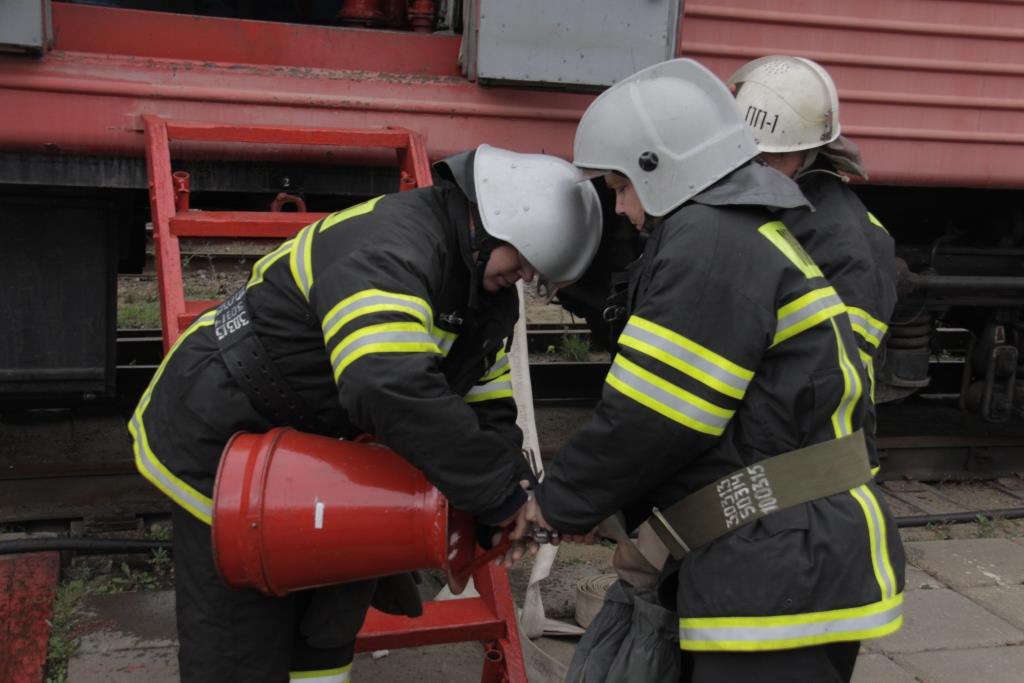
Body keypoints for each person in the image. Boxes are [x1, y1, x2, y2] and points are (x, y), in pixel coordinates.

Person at [128, 144, 603, 683]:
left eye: (530, 271)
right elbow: (386, 382)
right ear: (494, 223)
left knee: (327, 627)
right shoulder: (392, 248)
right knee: (240, 640)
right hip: (228, 436)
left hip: (324, 454)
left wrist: (510, 493)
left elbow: (487, 401)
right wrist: (498, 495)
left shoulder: (484, 290)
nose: (520, 277)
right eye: (520, 260)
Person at [521, 58, 905, 682]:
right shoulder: (736, 230)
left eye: (619, 187)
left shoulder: (712, 240)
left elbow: (655, 414)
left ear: (658, 167)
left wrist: (555, 506)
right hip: (782, 549)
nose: (619, 208)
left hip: (779, 560)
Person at [729, 55, 898, 446]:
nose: (759, 168)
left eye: (772, 157)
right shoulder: (788, 207)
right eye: (751, 156)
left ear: (809, 150)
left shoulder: (849, 242)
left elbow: (823, 378)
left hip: (814, 441)